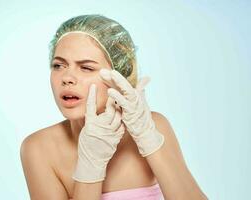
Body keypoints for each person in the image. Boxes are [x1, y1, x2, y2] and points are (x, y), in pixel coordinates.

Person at [20, 14, 208, 200]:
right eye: (58, 65)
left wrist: (149, 139)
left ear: (119, 74)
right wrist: (90, 168)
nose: (67, 78)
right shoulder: (38, 148)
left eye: (86, 67)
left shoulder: (154, 126)